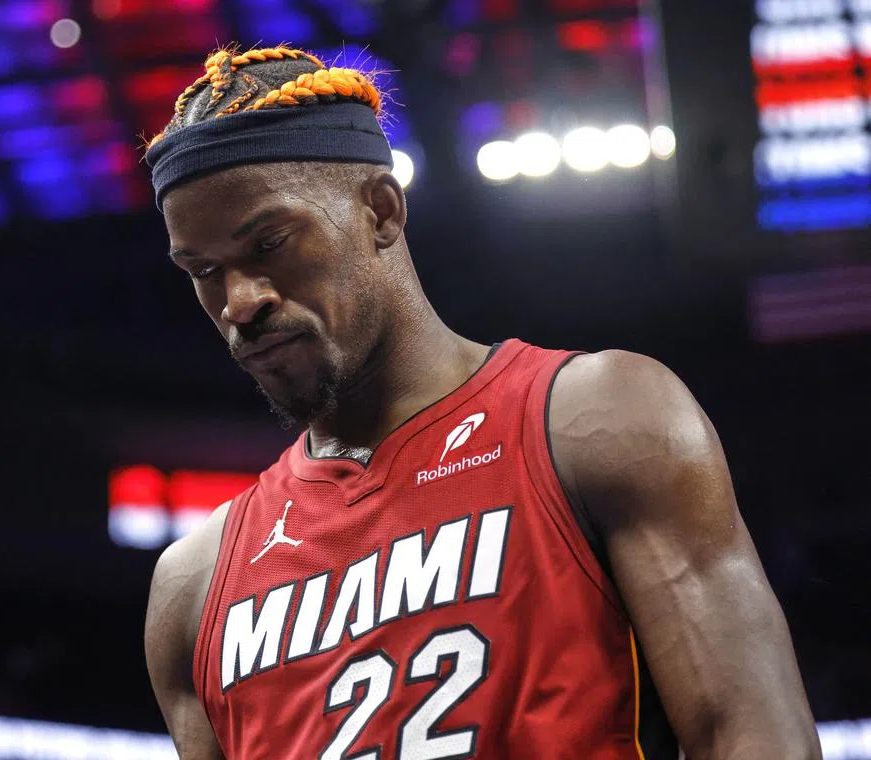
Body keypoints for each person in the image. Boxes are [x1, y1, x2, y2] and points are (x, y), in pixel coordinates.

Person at [142, 45, 821, 760]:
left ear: (380, 211)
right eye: (204, 270)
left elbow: (753, 738)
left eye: (270, 244)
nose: (239, 302)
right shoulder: (195, 584)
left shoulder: (597, 422)